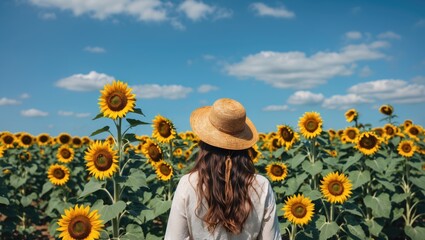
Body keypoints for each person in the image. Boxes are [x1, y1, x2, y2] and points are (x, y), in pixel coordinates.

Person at [164, 98, 281, 240]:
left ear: (205, 143)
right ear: (244, 146)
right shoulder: (261, 186)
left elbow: (174, 237)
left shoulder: (188, 184)